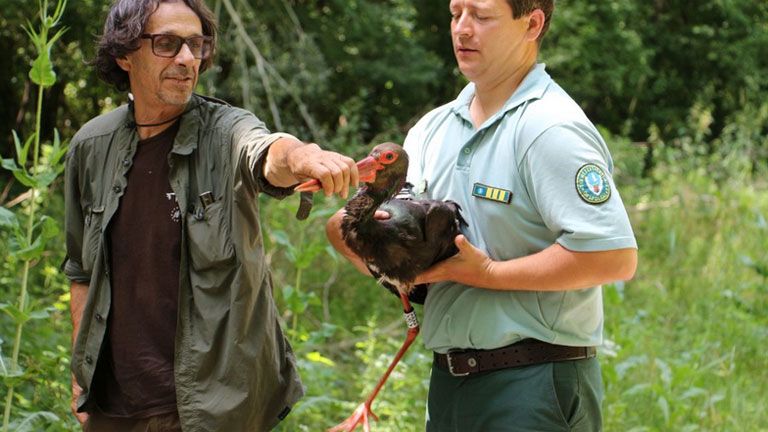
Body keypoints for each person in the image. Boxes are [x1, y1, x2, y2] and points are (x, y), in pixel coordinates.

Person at [326, 0, 638, 430]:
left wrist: (487, 273)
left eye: (482, 16)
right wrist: (383, 257)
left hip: (533, 383)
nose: (462, 29)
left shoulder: (550, 128)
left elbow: (613, 257)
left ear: (532, 24)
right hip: (448, 382)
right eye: (456, 13)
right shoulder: (431, 130)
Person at [64, 0, 359, 430]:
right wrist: (80, 373)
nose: (187, 59)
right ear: (125, 54)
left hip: (211, 407)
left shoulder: (226, 131)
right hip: (112, 407)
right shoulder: (91, 146)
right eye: (167, 43)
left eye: (196, 44)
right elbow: (81, 271)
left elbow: (266, 151)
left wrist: (302, 156)